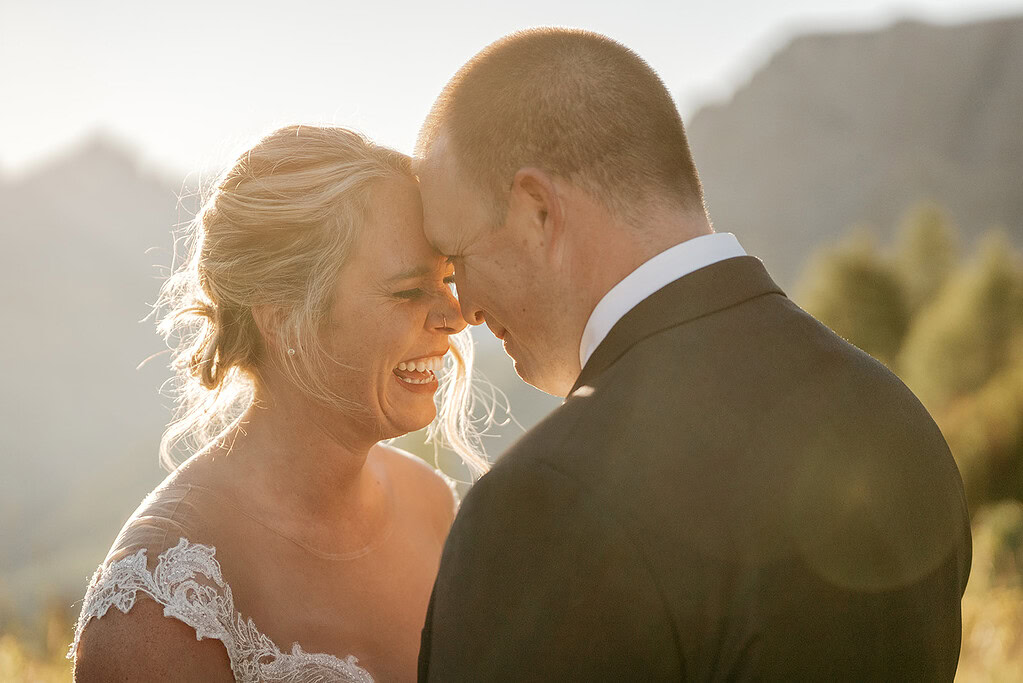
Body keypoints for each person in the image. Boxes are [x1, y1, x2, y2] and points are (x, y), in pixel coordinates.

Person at [415, 28, 972, 680]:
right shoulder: (894, 414)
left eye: (456, 259)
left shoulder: (548, 499)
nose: (465, 308)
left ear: (538, 210)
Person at [68, 125, 484, 682]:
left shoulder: (429, 504)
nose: (454, 315)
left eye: (449, 279)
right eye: (409, 291)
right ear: (283, 317)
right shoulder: (158, 605)